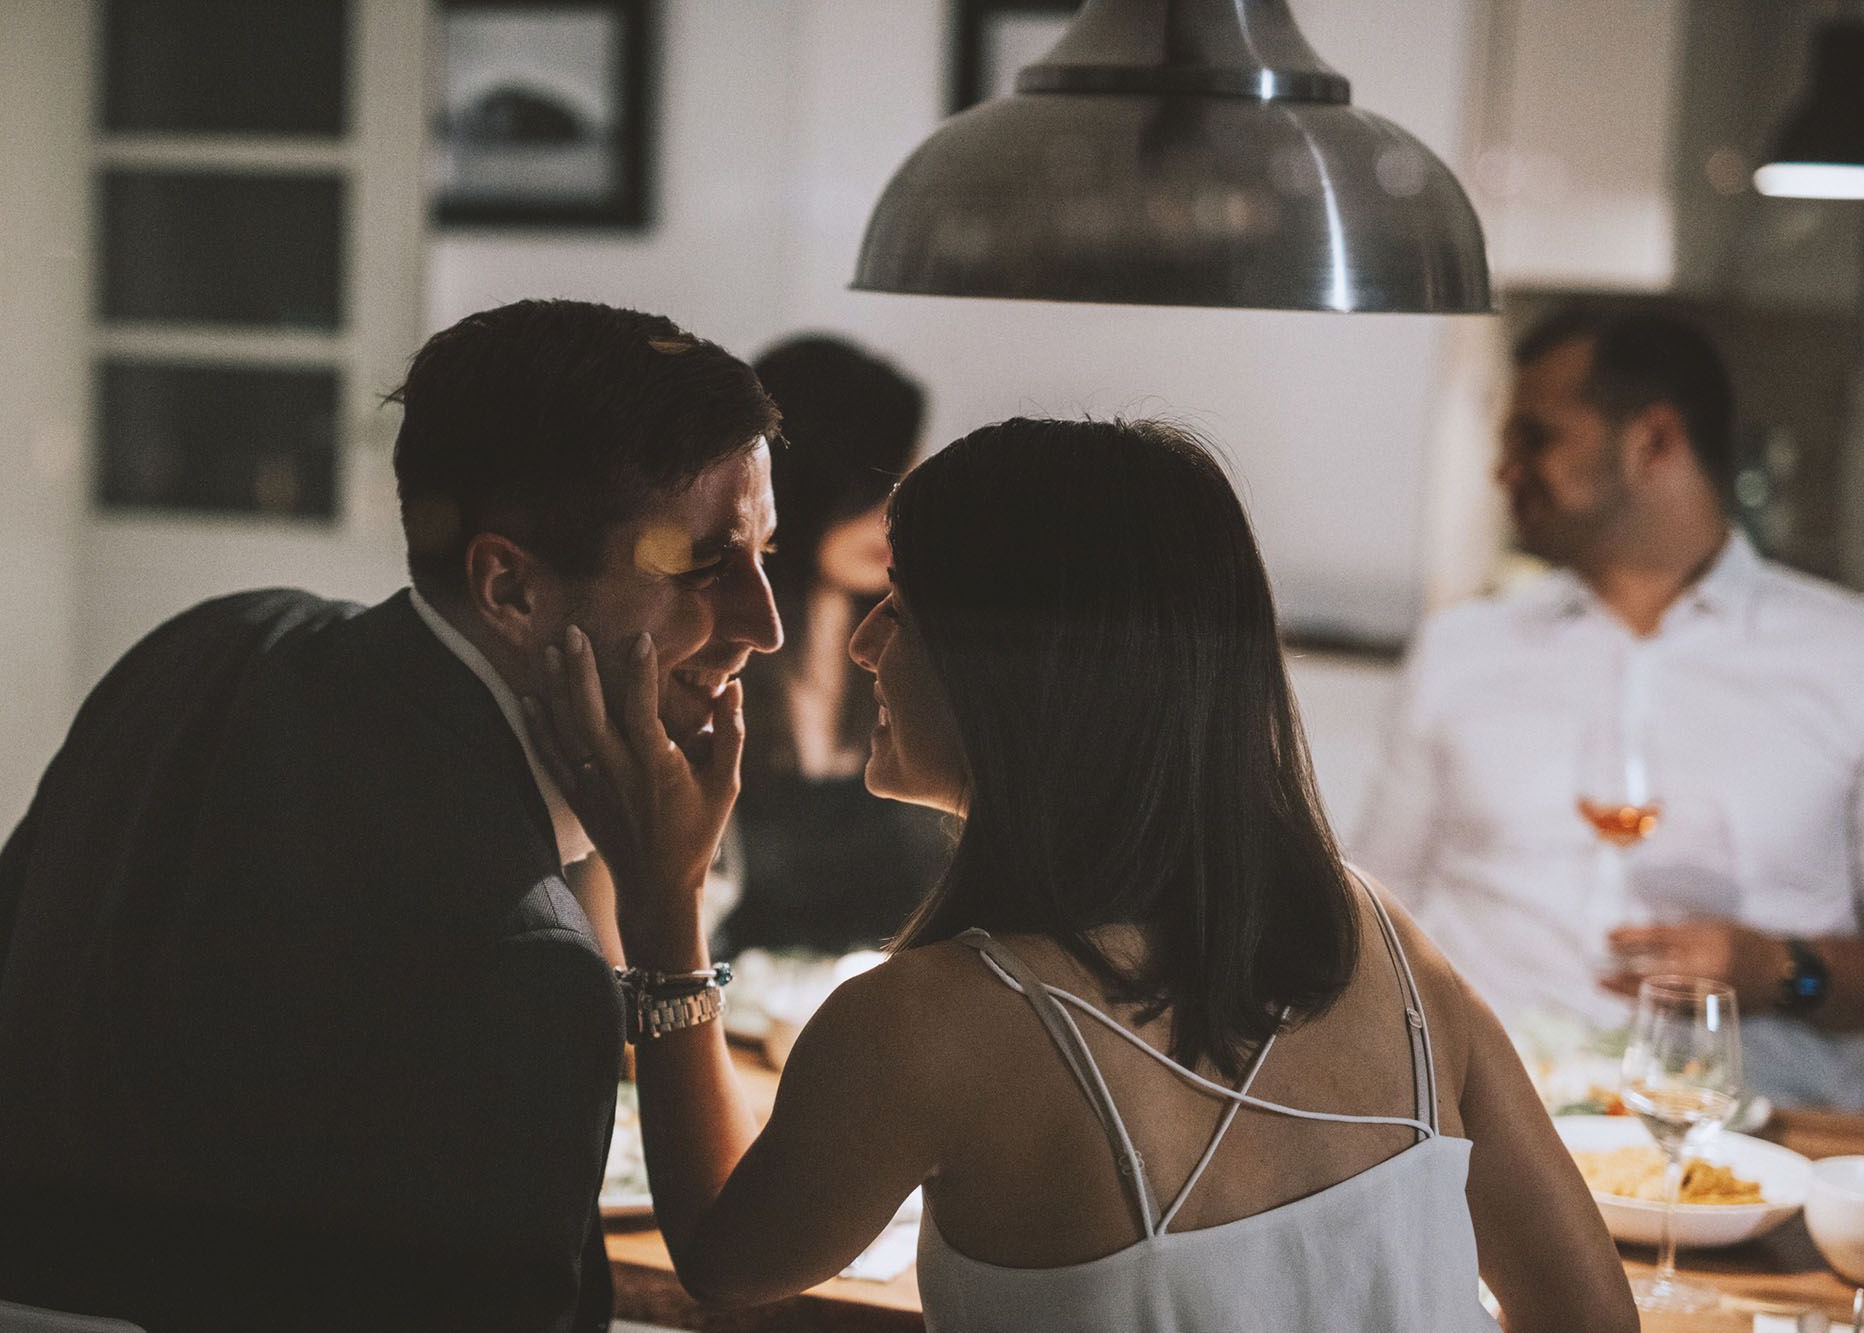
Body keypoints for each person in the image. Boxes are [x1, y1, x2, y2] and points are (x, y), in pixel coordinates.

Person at [527, 418, 1636, 1331]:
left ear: (1018, 675)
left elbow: (726, 1260)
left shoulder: (927, 1022)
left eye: (901, 609)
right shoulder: (1378, 937)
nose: (865, 645)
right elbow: (1590, 1317)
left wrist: (665, 900)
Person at [0, 298, 784, 1332]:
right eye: (707, 565)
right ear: (508, 586)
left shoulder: (213, 646)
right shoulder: (528, 958)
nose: (763, 624)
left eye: (768, 552)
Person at [1353, 308, 1864, 1111]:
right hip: (1483, 1137)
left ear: (1653, 443)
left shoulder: (1846, 656)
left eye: (1536, 437)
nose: (1504, 469)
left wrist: (1783, 968)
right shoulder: (1460, 650)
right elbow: (1373, 918)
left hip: (1757, 1146)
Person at [716, 334, 951, 957]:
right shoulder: (708, 653)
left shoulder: (919, 644)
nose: (897, 518)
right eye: (880, 486)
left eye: (911, 484)